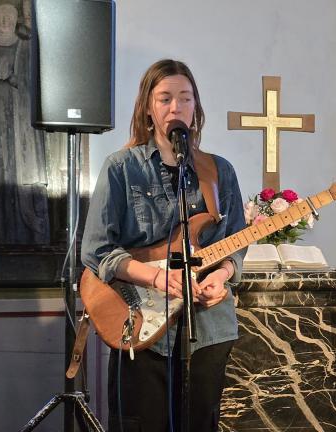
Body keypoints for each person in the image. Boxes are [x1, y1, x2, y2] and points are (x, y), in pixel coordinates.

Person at [81, 59, 246, 432]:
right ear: (148, 108)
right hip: (139, 324)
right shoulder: (121, 168)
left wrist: (222, 274)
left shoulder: (220, 171)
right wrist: (155, 278)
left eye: (185, 98)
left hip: (209, 330)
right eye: (165, 98)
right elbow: (96, 249)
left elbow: (235, 240)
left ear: (195, 107)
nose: (176, 107)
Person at [0, 2, 49, 244]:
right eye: (0, 16)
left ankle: (33, 234)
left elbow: (40, 85)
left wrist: (16, 80)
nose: (5, 21)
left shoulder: (27, 48)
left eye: (9, 16)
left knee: (24, 173)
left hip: (21, 128)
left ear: (15, 20)